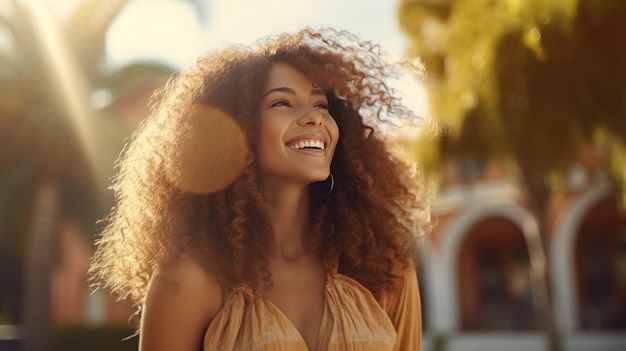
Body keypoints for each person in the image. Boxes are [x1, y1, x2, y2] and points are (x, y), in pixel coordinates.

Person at [89, 27, 431, 351]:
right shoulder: (189, 279)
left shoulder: (383, 266)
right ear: (238, 132)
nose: (313, 118)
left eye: (321, 105)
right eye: (282, 103)